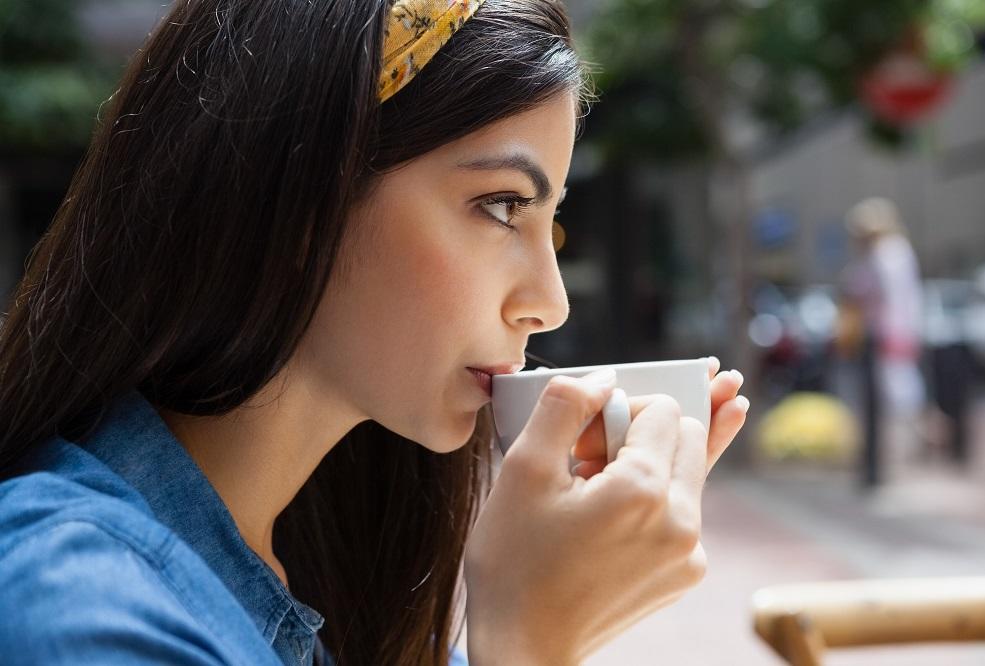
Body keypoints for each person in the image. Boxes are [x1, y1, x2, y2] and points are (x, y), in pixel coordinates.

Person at [0, 1, 749, 664]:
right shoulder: (73, 604)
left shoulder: (334, 584)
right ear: (298, 199)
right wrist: (530, 645)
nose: (548, 306)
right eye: (499, 206)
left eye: (549, 228)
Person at [839, 196, 925, 482]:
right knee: (879, 403)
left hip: (887, 336)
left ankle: (885, 466)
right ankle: (876, 466)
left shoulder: (890, 254)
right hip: (881, 335)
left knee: (892, 402)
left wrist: (898, 335)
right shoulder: (882, 254)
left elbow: (891, 299)